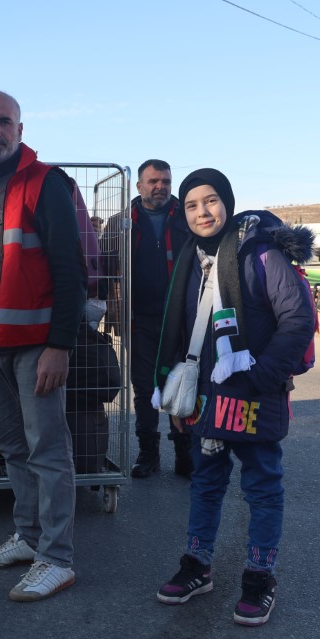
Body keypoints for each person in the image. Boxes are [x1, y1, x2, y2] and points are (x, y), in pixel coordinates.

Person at [152, 168, 314, 626]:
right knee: (205, 483)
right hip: (207, 399)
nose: (202, 212)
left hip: (255, 395)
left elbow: (298, 320)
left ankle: (260, 578)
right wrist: (178, 396)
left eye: (211, 200)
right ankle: (197, 566)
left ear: (227, 201)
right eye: (191, 204)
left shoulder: (261, 254)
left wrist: (262, 376)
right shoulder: (191, 258)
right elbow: (182, 329)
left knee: (262, 487)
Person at [0, 91, 86, 602]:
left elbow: (70, 269)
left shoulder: (45, 183)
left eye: (4, 121)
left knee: (47, 451)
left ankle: (57, 558)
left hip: (35, 345)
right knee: (12, 447)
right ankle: (29, 537)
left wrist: (60, 345)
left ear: (20, 129)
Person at [127, 159, 194, 479]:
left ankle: (185, 454)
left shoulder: (186, 219)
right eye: (153, 181)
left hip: (181, 320)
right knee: (144, 389)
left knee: (182, 385)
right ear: (139, 185)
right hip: (140, 320)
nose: (160, 187)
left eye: (165, 181)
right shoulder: (123, 221)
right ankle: (148, 455)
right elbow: (106, 264)